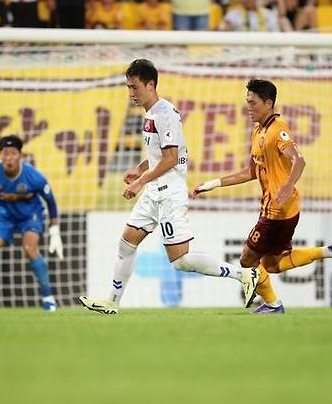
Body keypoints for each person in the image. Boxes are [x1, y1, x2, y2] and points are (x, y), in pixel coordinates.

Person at [79, 59, 259, 315]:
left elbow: (172, 158)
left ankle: (243, 275)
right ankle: (112, 303)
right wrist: (140, 169)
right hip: (154, 192)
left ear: (150, 84)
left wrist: (140, 181)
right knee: (126, 243)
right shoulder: (150, 114)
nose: (131, 93)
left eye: (135, 87)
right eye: (128, 88)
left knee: (180, 261)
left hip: (169, 194)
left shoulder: (165, 114)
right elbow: (162, 153)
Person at [193, 79, 332, 314]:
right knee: (271, 264)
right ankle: (331, 250)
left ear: (268, 103)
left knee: (247, 261)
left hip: (277, 210)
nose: (248, 108)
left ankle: (273, 304)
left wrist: (286, 186)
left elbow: (299, 160)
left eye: (253, 103)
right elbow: (251, 171)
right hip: (282, 208)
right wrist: (212, 184)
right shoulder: (258, 131)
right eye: (247, 102)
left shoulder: (277, 130)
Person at [0, 135, 65, 311]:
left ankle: (48, 297)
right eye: (5, 153)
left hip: (30, 215)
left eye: (13, 153)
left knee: (30, 248)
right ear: (0, 155)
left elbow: (50, 202)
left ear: (20, 155)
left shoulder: (34, 177)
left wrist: (55, 231)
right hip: (3, 215)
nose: (9, 158)